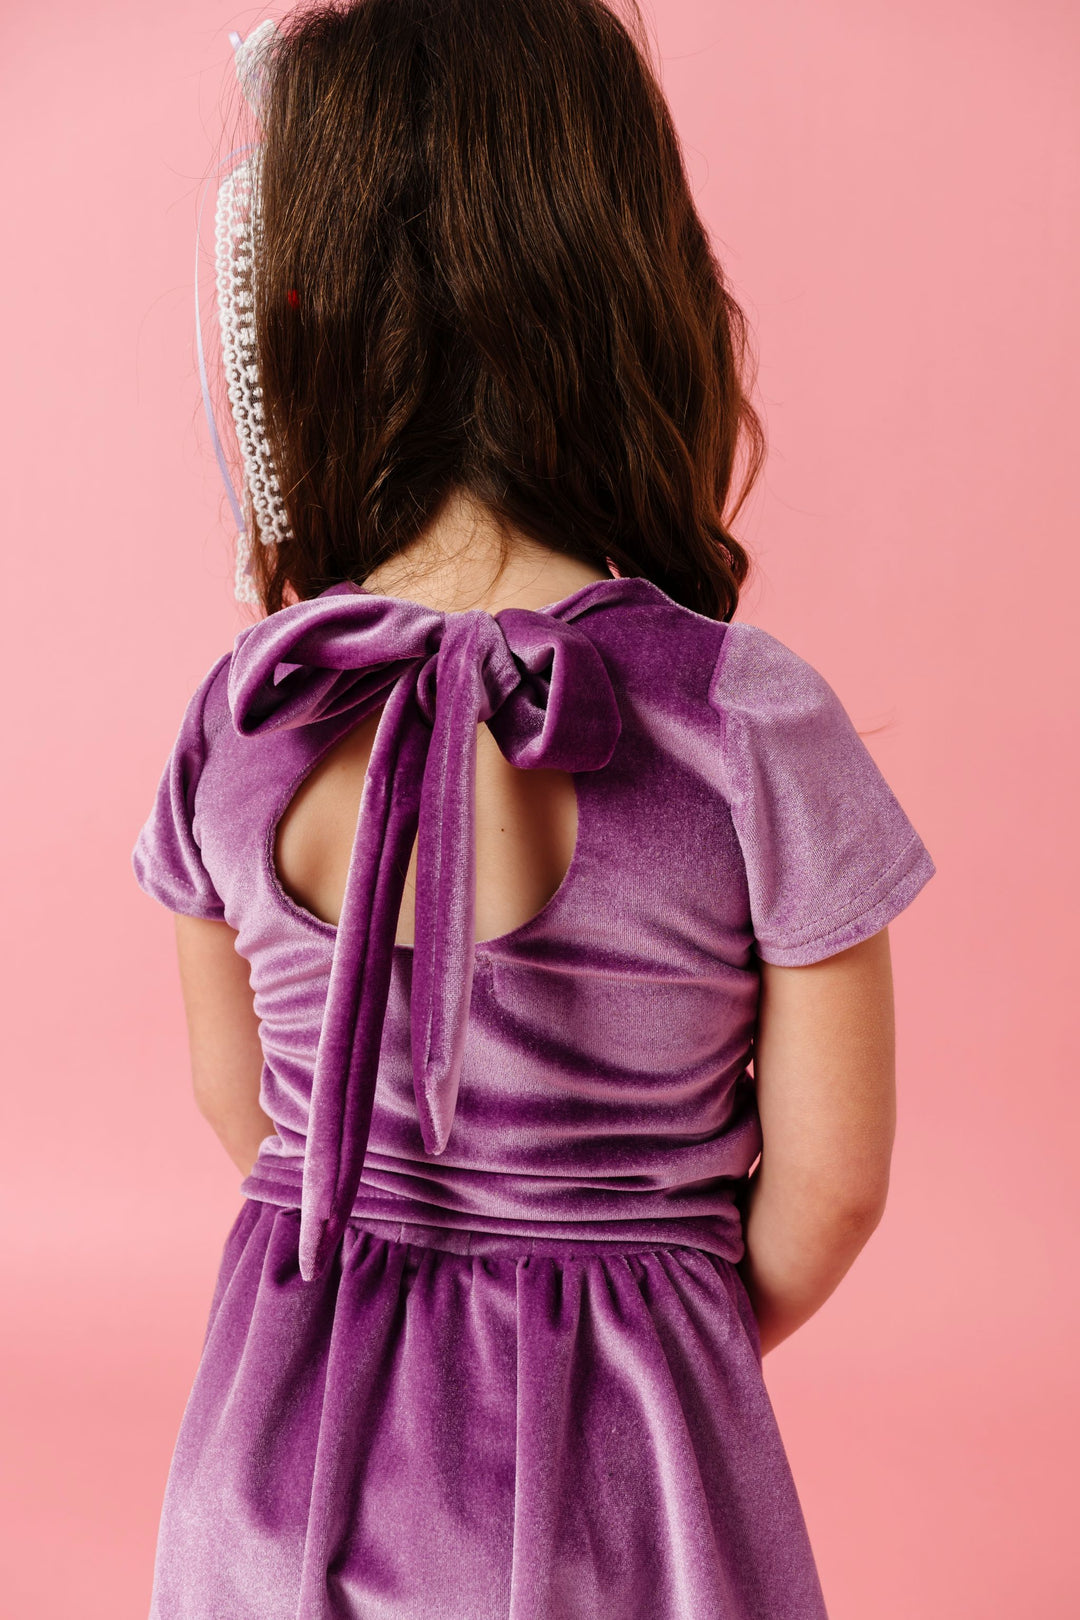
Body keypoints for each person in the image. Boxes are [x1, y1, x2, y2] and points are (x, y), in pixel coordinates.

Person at [131, 2, 936, 1615]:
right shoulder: (740, 717)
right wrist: (643, 1329)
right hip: (622, 1486)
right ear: (643, 299)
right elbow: (833, 1186)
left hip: (283, 1476)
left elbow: (257, 1123)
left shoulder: (252, 713)